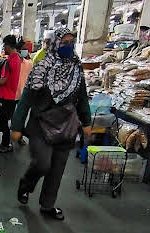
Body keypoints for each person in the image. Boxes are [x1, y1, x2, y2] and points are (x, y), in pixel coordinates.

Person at [11, 28, 91, 220]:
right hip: (41, 125)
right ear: (55, 43)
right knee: (43, 163)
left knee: (57, 169)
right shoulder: (41, 69)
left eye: (72, 42)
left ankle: (48, 205)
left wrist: (86, 121)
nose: (69, 46)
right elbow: (26, 100)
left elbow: (82, 98)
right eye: (64, 42)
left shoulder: (76, 69)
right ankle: (26, 184)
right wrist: (17, 126)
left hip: (66, 125)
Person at [0, 34, 21, 153]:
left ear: (8, 46)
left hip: (7, 97)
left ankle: (7, 144)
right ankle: (4, 143)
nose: (3, 49)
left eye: (4, 46)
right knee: (2, 120)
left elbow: (3, 81)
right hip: (7, 94)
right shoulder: (15, 59)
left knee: (1, 121)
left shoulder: (12, 60)